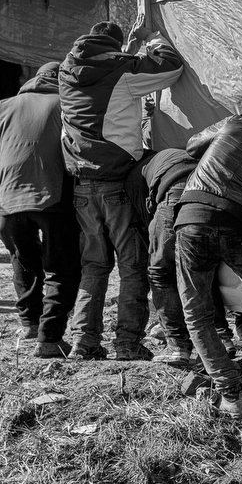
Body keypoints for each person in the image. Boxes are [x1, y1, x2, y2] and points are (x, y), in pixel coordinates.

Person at [59, 21, 184, 361]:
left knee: (94, 266)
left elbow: (106, 79)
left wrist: (125, 53)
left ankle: (83, 343)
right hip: (116, 180)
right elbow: (171, 68)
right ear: (114, 48)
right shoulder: (121, 70)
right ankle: (127, 343)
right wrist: (152, 39)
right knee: (132, 265)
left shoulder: (67, 70)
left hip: (82, 185)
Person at [174, 107, 242, 418]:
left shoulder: (235, 123)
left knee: (196, 313)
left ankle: (231, 394)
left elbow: (193, 145)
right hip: (240, 222)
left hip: (193, 216)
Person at [0, 62, 81, 357]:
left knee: (23, 259)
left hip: (8, 199)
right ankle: (50, 338)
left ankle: (29, 324)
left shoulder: (3, 106)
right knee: (63, 267)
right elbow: (77, 149)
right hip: (53, 195)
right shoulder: (66, 104)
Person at [125, 147, 198, 367]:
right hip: (206, 192)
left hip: (173, 196)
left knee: (159, 273)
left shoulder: (133, 176)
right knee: (199, 269)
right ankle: (218, 341)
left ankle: (177, 346)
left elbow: (147, 219)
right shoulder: (173, 155)